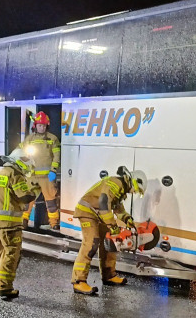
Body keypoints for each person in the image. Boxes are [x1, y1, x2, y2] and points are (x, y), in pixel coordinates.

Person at [71, 166, 146, 295]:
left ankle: (109, 275)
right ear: (133, 182)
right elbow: (104, 205)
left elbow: (117, 207)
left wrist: (126, 218)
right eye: (136, 189)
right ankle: (79, 281)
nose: (134, 192)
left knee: (110, 242)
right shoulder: (115, 183)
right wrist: (113, 226)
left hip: (98, 214)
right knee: (91, 243)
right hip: (87, 211)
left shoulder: (121, 188)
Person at [0, 148, 39, 300]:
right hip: (9, 222)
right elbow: (24, 197)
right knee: (11, 253)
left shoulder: (1, 173)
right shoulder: (15, 175)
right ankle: (4, 287)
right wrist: (36, 190)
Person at [19, 111, 61, 230]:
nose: (42, 128)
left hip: (47, 177)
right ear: (35, 126)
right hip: (32, 176)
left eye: (44, 125)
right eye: (40, 125)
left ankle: (54, 223)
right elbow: (22, 154)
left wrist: (53, 170)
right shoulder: (29, 139)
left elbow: (57, 156)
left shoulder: (52, 139)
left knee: (51, 201)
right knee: (28, 199)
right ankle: (23, 220)